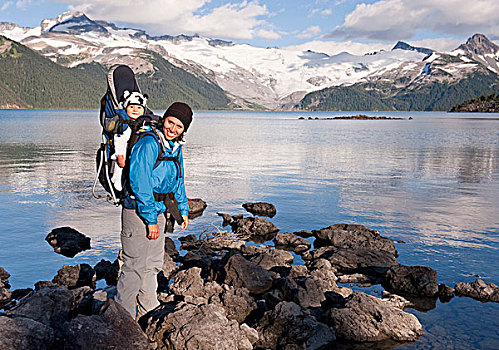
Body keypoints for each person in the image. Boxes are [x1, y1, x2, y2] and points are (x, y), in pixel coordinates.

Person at [115, 102, 193, 320]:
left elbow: (179, 180)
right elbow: (139, 182)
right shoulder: (149, 142)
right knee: (134, 265)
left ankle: (148, 307)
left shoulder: (175, 147)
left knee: (153, 263)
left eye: (179, 126)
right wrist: (150, 220)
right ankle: (124, 318)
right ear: (164, 120)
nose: (173, 129)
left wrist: (183, 209)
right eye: (170, 122)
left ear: (184, 129)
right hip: (137, 210)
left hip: (158, 210)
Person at [110, 90, 148, 191]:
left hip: (137, 157)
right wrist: (120, 155)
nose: (135, 110)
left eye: (139, 107)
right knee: (121, 169)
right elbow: (118, 140)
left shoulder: (144, 124)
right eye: (131, 107)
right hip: (123, 155)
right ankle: (117, 180)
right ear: (126, 108)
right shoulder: (125, 125)